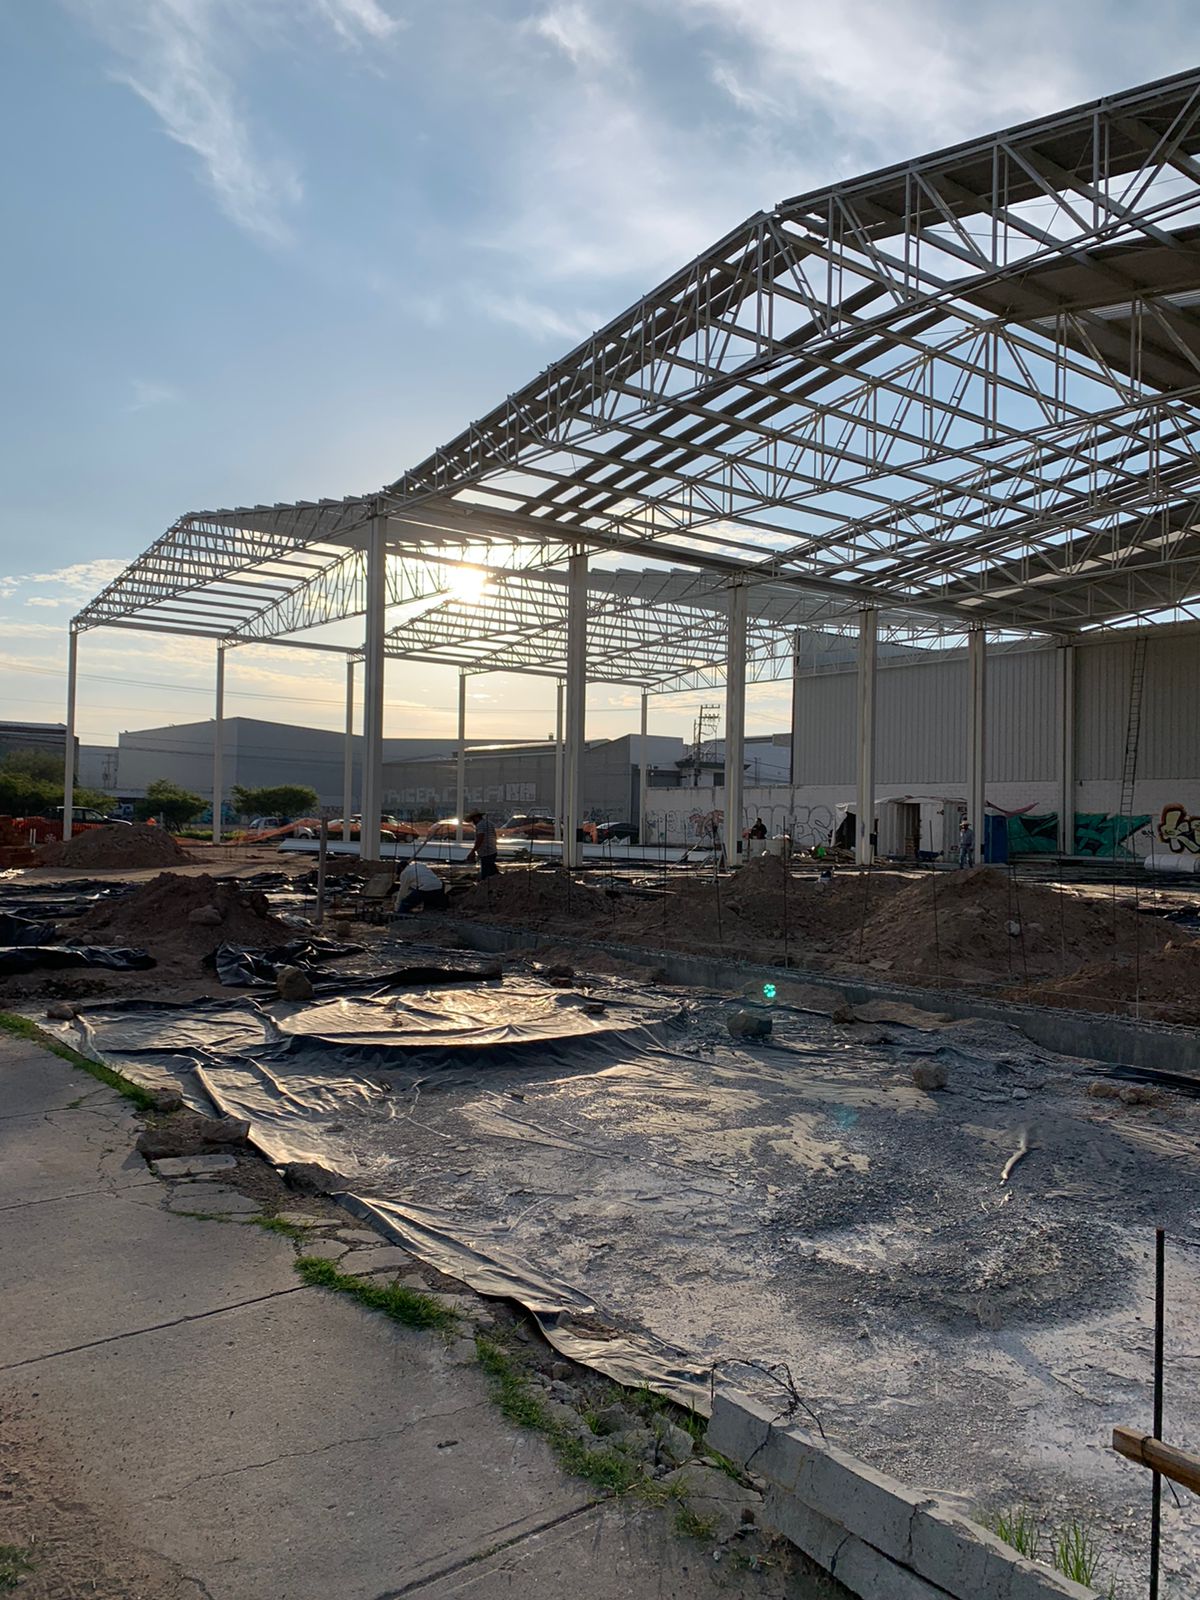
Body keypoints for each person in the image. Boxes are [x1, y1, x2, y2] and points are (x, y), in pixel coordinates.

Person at [465, 808, 499, 880]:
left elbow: (480, 838)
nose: (473, 822)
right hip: (492, 851)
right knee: (492, 871)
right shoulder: (489, 823)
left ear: (476, 818)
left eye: (472, 820)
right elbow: (494, 836)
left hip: (486, 852)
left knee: (486, 874)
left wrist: (473, 851)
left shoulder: (480, 825)